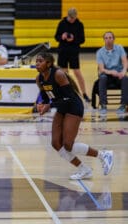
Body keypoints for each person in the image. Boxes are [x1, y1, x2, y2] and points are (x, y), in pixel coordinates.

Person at [35, 51, 113, 180]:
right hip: (61, 107)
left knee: (68, 145)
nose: (37, 64)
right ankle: (84, 169)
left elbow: (68, 98)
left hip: (73, 107)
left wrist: (49, 106)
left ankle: (103, 155)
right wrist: (41, 104)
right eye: (36, 61)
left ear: (48, 64)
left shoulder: (58, 75)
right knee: (55, 143)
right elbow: (45, 96)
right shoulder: (39, 78)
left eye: (40, 61)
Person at [54, 7, 90, 103]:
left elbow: (82, 40)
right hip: (63, 51)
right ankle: (64, 94)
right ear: (68, 16)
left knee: (77, 72)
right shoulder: (62, 23)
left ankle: (84, 94)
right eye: (70, 18)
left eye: (73, 18)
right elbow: (56, 37)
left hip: (73, 51)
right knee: (63, 73)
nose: (72, 20)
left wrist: (74, 39)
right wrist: (62, 37)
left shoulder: (79, 24)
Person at [96, 31, 128, 114]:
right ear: (104, 40)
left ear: (113, 39)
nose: (108, 40)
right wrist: (111, 72)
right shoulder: (100, 52)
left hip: (119, 75)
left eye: (110, 38)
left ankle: (123, 105)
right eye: (106, 38)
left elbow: (125, 62)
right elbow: (102, 69)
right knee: (102, 78)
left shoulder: (120, 48)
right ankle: (103, 105)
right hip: (107, 75)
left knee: (125, 78)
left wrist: (124, 71)